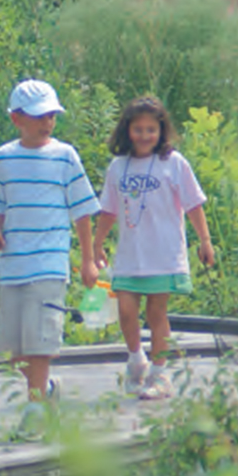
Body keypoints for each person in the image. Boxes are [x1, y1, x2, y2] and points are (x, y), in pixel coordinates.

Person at [0, 80, 100, 431]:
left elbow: (82, 209)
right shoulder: (4, 157)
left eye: (51, 115)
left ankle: (35, 409)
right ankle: (46, 390)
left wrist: (88, 258)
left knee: (40, 340)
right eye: (38, 116)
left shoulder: (65, 156)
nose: (46, 122)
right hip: (12, 263)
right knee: (11, 350)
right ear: (16, 118)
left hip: (49, 261)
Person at [93, 96, 215, 400]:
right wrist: (97, 242)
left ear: (161, 131)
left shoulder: (173, 163)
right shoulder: (118, 167)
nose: (145, 135)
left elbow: (193, 204)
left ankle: (160, 375)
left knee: (156, 312)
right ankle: (137, 361)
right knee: (126, 310)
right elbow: (108, 209)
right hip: (130, 255)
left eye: (151, 129)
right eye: (138, 129)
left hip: (163, 254)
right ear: (127, 130)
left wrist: (205, 240)